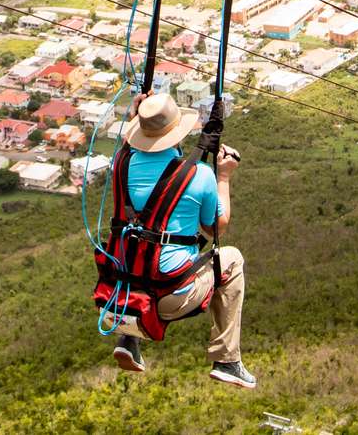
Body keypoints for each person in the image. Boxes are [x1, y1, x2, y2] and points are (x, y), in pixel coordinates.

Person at [102, 89, 253, 390]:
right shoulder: (199, 174)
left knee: (139, 246)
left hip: (119, 290)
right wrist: (223, 178)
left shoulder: (120, 163)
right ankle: (227, 359)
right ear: (178, 133)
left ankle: (129, 336)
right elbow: (216, 229)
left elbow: (127, 147)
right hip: (170, 295)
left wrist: (138, 118)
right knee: (232, 259)